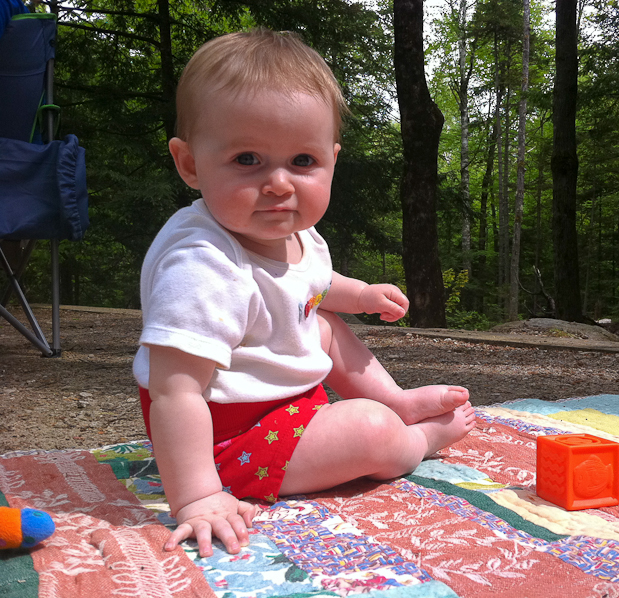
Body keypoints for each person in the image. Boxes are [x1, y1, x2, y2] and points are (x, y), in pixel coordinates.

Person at [133, 28, 476, 559]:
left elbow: (310, 286)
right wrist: (199, 495)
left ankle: (396, 401)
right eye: (247, 159)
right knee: (367, 429)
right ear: (191, 164)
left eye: (302, 162)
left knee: (321, 322)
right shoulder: (202, 263)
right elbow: (175, 391)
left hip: (282, 405)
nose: (278, 183)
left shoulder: (294, 234)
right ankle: (416, 440)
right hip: (226, 439)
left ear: (331, 161)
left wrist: (359, 294)